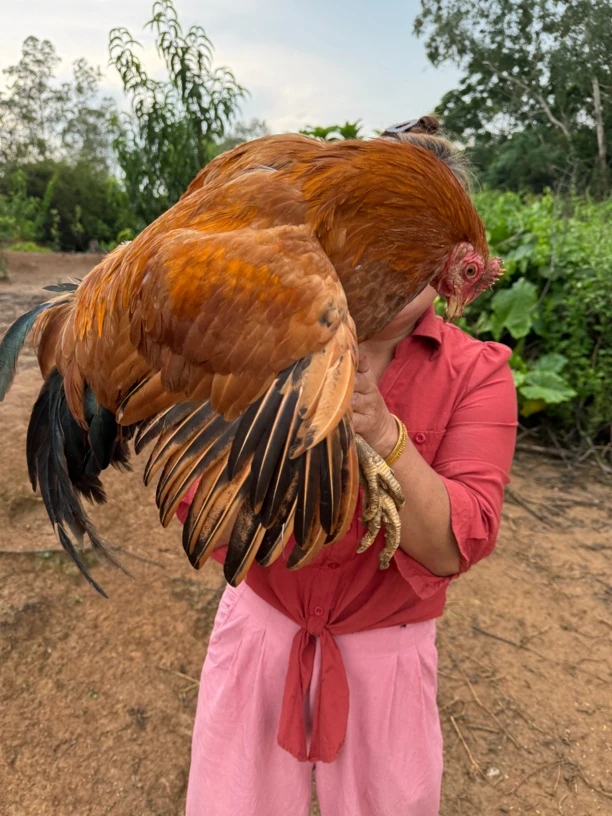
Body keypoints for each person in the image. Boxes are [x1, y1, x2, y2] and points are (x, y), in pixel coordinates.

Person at [176, 128, 518, 816]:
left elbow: (454, 545)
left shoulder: (478, 373)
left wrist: (381, 432)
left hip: (387, 659)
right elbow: (198, 501)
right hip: (262, 630)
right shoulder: (262, 335)